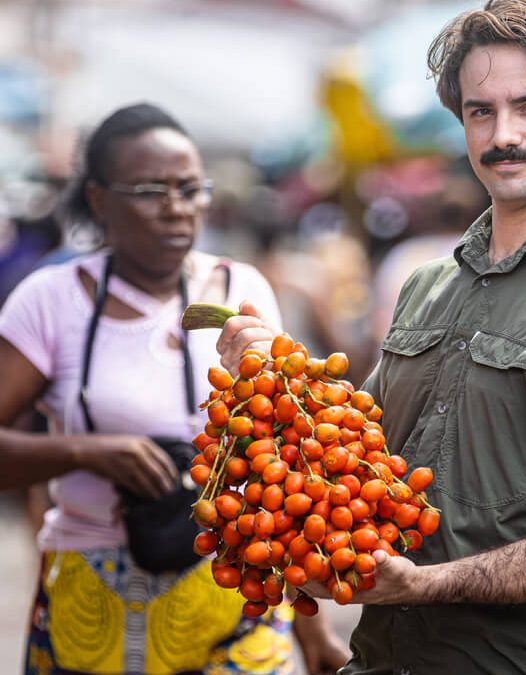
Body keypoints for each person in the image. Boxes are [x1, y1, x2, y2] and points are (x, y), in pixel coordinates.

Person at [214, 1, 526, 673]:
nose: (503, 134)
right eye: (480, 111)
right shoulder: (429, 284)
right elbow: (359, 453)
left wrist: (428, 583)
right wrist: (275, 368)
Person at [0, 103, 348, 675]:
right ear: (98, 200)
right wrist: (86, 453)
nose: (176, 208)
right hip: (93, 606)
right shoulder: (51, 300)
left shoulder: (243, 290)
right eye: (149, 189)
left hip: (236, 602)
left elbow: (286, 469)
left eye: (190, 188)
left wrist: (313, 635)